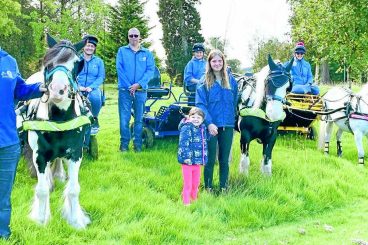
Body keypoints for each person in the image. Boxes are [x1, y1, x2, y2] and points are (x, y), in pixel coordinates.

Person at [0, 48, 46, 240]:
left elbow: (19, 90)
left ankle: (3, 234)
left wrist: (38, 89)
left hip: (7, 141)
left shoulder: (9, 61)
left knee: (3, 197)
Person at [196, 49, 238, 192]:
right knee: (209, 159)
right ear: (209, 63)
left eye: (220, 61)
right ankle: (208, 187)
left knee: (224, 160)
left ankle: (223, 187)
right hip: (211, 126)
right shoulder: (203, 82)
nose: (217, 63)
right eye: (214, 61)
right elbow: (201, 105)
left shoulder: (231, 80)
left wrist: (232, 121)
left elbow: (235, 100)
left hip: (227, 125)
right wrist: (209, 123)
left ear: (223, 62)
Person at [116, 27, 155, 152]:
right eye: (131, 35)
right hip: (124, 91)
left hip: (141, 91)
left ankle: (137, 144)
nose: (133, 38)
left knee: (139, 119)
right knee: (124, 119)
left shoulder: (147, 53)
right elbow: (120, 69)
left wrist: (139, 84)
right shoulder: (122, 51)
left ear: (139, 37)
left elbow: (150, 71)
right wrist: (129, 86)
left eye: (135, 35)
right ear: (128, 37)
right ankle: (124, 145)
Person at [77, 35, 105, 150]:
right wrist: (79, 87)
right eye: (88, 45)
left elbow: (101, 77)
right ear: (84, 47)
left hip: (92, 88)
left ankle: (94, 118)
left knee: (96, 97)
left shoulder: (98, 61)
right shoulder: (77, 59)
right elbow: (72, 74)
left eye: (92, 46)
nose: (89, 48)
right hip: (78, 87)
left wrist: (91, 87)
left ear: (94, 48)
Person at [177, 107, 207, 205]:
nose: (196, 119)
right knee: (188, 185)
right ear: (189, 117)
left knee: (195, 184)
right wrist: (186, 158)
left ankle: (194, 200)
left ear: (202, 120)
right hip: (187, 163)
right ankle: (186, 204)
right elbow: (183, 144)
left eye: (199, 117)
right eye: (193, 117)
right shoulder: (186, 128)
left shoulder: (202, 129)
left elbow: (203, 144)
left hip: (197, 163)